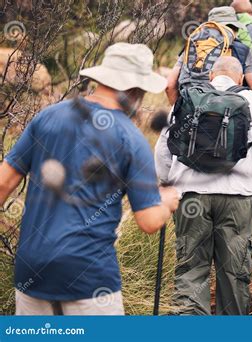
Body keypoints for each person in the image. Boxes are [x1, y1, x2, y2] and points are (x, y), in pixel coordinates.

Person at [0, 43, 180, 315]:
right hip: (89, 275)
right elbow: (149, 222)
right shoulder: (131, 139)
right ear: (137, 91)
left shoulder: (48, 117)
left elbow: (3, 184)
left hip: (32, 268)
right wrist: (167, 201)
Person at [155, 56, 252, 315]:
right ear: (241, 78)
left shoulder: (186, 100)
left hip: (190, 196)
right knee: (234, 272)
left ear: (211, 76)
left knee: (191, 269)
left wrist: (166, 183)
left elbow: (162, 150)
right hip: (238, 197)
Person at [165, 6, 252, 104]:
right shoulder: (243, 50)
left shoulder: (192, 46)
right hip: (227, 115)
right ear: (234, 28)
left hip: (189, 114)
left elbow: (169, 86)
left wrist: (178, 113)